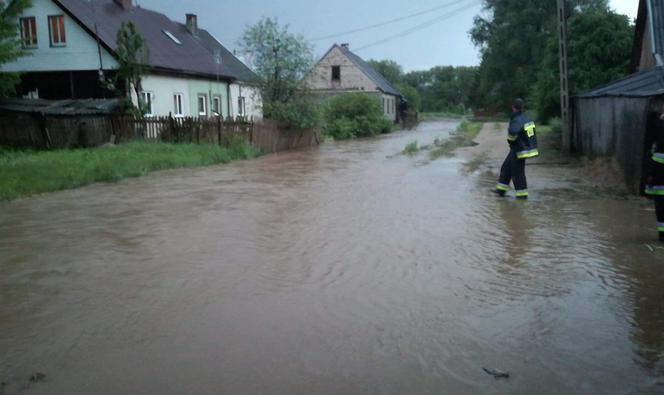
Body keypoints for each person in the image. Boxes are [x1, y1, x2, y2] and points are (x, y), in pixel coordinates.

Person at [494, 98, 539, 199]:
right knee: (506, 167)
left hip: (519, 150)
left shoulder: (516, 119)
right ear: (522, 107)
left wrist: (510, 141)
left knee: (517, 173)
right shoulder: (527, 118)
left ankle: (522, 196)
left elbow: (512, 135)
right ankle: (501, 190)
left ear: (513, 107)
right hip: (525, 148)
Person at [644, 109, 664, 241]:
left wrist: (650, 175)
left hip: (659, 178)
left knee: (661, 209)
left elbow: (654, 156)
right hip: (659, 177)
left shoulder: (658, 129)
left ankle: (662, 236)